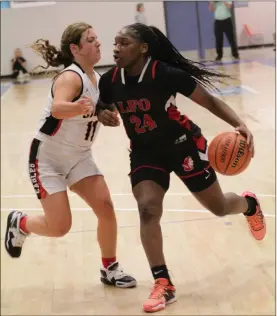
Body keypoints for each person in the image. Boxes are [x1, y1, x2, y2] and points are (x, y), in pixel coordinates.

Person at [96, 23, 266, 313]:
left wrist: (238, 123)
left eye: (123, 43)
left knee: (219, 207)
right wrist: (104, 114)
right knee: (147, 207)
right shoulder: (110, 79)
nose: (116, 49)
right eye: (115, 43)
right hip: (145, 152)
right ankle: (163, 283)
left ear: (143, 48)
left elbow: (209, 101)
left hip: (182, 144)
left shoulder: (165, 74)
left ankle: (249, 205)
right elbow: (104, 105)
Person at [4, 22, 136, 289]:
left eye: (97, 37)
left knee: (106, 209)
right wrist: (76, 107)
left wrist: (103, 115)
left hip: (79, 158)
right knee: (60, 227)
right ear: (75, 49)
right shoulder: (70, 77)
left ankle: (109, 268)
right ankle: (21, 223)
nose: (98, 42)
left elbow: (93, 110)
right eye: (91, 39)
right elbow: (57, 109)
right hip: (47, 159)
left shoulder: (96, 80)